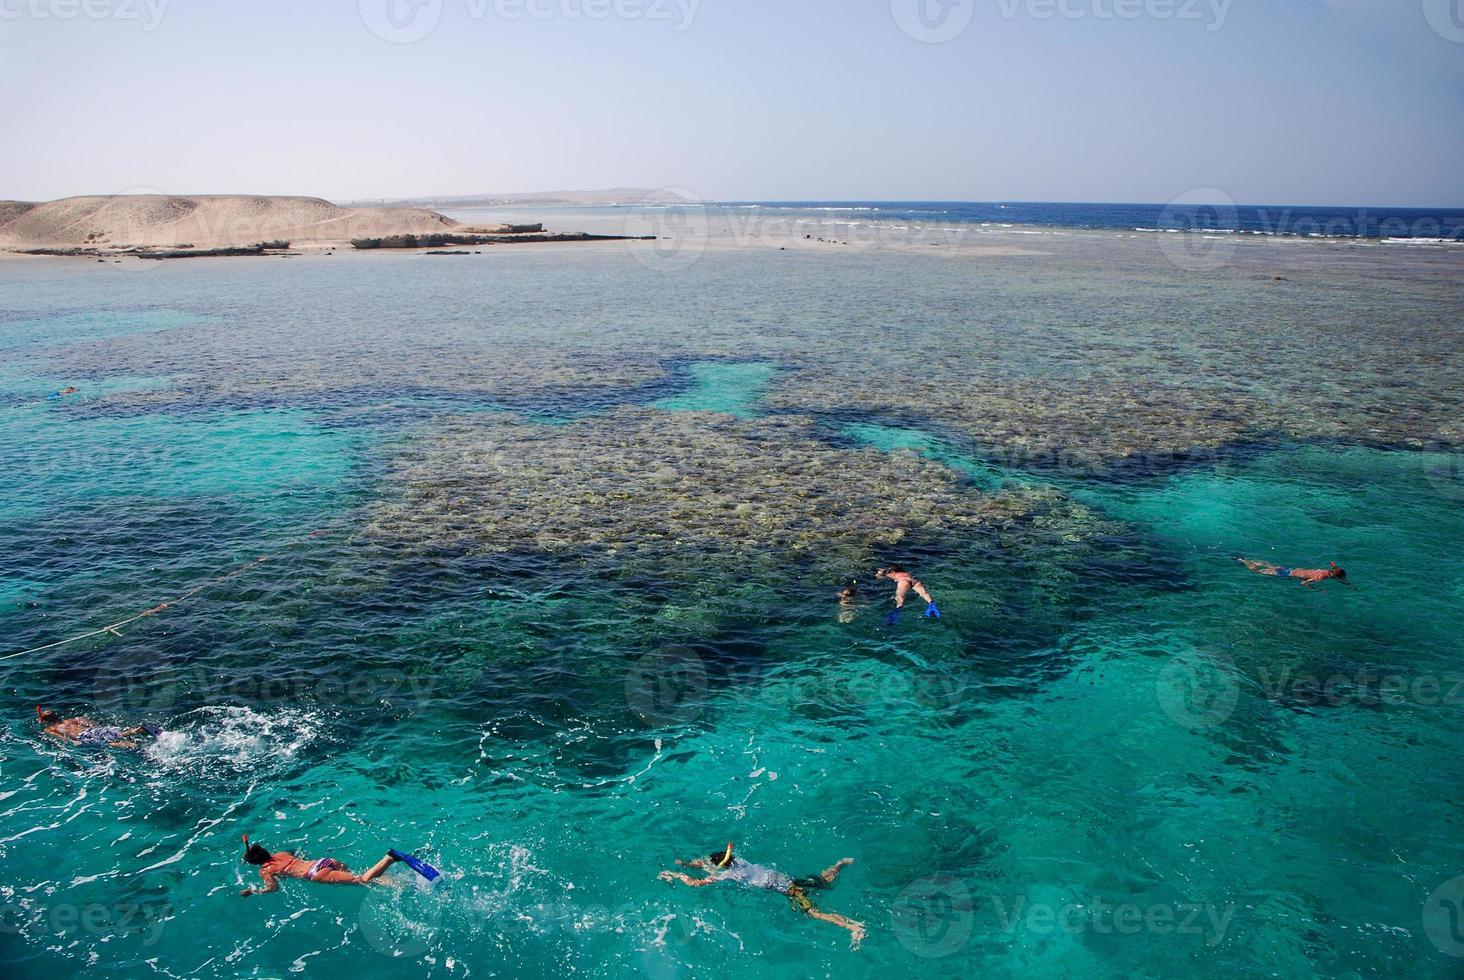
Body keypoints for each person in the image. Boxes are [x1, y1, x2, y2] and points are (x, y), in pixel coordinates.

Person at [658, 842, 866, 948]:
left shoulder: (728, 876)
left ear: (720, 866)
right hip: (789, 880)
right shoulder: (738, 860)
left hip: (789, 890)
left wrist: (677, 873)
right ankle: (840, 864)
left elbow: (695, 883)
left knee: (815, 914)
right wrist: (688, 863)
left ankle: (854, 927)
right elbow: (707, 863)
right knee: (823, 882)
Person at [239, 835, 400, 895]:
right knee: (362, 878)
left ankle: (389, 858)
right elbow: (295, 854)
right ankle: (396, 883)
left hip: (316, 873)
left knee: (361, 880)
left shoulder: (265, 870)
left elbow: (273, 888)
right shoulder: (281, 853)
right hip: (323, 861)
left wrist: (254, 891)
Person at [36, 706, 158, 750]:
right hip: (91, 730)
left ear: (45, 721)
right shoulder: (71, 719)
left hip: (83, 736)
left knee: (109, 744)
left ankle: (134, 746)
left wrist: (73, 742)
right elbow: (86, 721)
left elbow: (61, 738)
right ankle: (138, 730)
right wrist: (99, 728)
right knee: (120, 734)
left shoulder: (50, 729)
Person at [875, 565, 939, 622]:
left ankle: (897, 611)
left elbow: (879, 577)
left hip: (903, 581)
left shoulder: (889, 573)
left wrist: (879, 574)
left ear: (893, 571)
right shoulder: (904, 572)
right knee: (923, 593)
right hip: (913, 580)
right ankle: (931, 603)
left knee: (900, 596)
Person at [1236, 558, 1348, 587]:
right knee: (1257, 572)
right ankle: (1243, 561)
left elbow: (1333, 564)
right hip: (1286, 574)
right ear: (1333, 576)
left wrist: (1333, 564)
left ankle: (1248, 560)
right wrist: (1316, 589)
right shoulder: (1322, 577)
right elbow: (1303, 583)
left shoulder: (1329, 570)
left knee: (1267, 565)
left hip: (1290, 569)